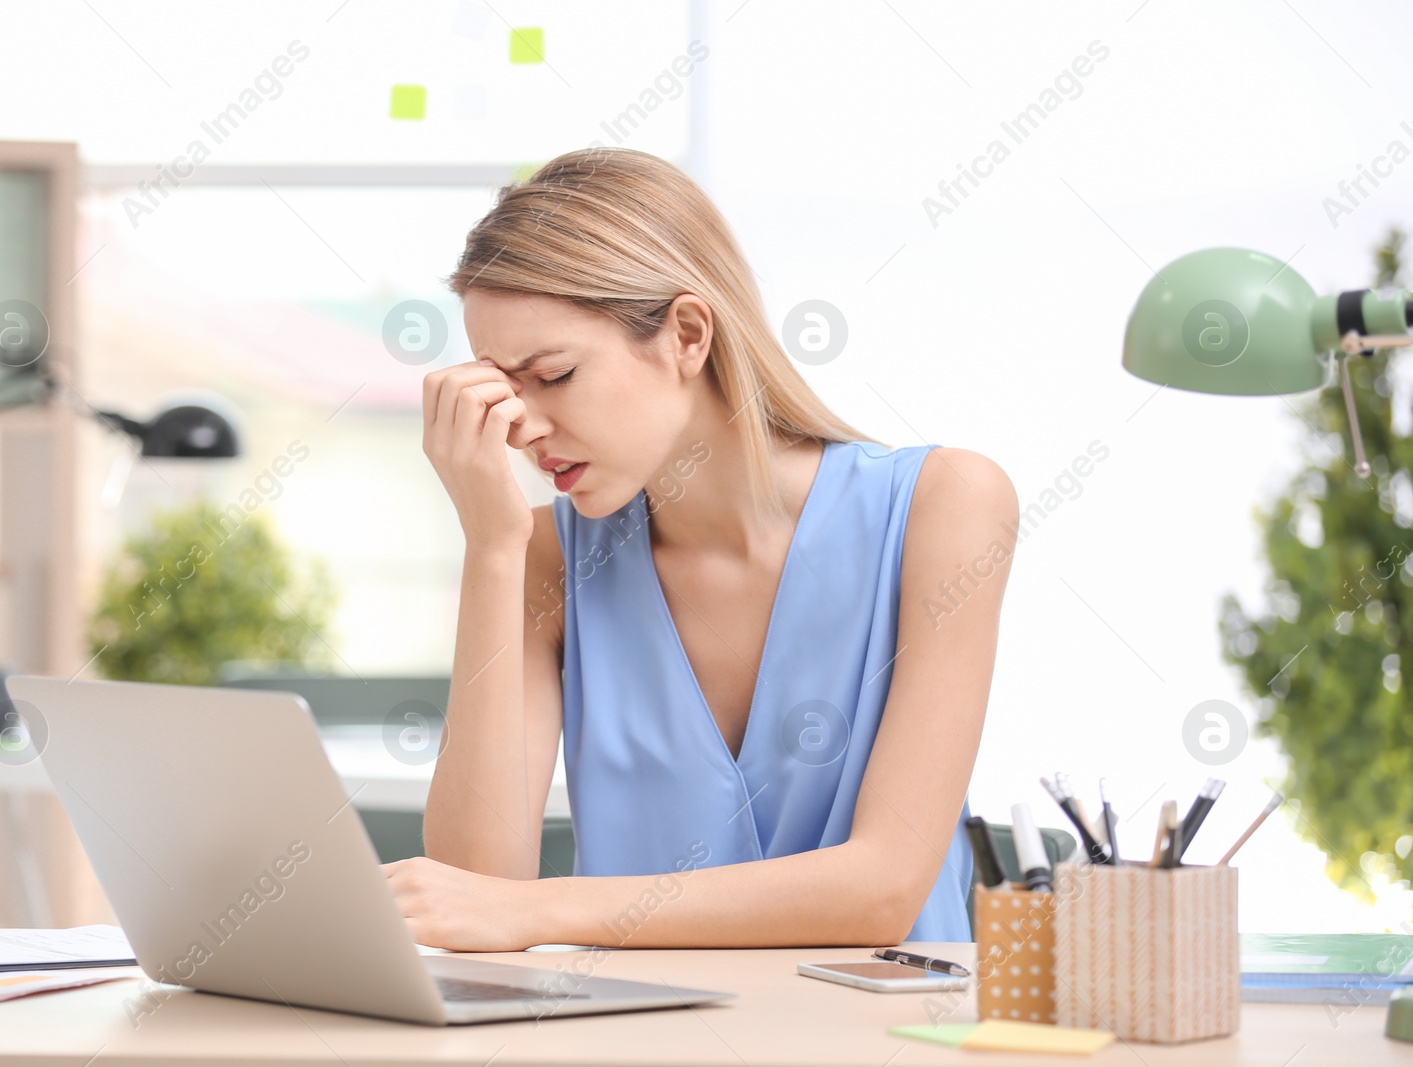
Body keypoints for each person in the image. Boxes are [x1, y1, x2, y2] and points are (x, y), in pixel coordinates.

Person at [384, 147, 1017, 952]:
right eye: (503, 391)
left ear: (686, 334)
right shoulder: (543, 556)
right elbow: (476, 886)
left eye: (554, 375)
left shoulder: (945, 505)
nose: (522, 427)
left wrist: (546, 910)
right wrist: (491, 545)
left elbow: (882, 887)